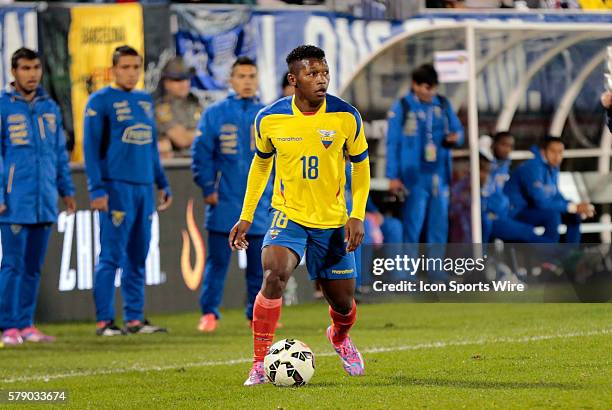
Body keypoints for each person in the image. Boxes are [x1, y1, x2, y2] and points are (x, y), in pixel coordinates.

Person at [229, 45, 370, 385]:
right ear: (294, 80)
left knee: (344, 303)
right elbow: (260, 166)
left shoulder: (346, 116)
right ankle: (260, 363)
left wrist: (357, 214)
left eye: (324, 72)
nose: (321, 80)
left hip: (332, 221)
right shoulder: (270, 118)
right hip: (287, 215)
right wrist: (247, 216)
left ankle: (339, 337)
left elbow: (362, 167)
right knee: (274, 274)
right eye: (312, 74)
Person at [84, 45, 172, 336]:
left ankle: (134, 319)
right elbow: (91, 150)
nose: (132, 72)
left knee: (138, 254)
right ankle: (104, 321)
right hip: (116, 188)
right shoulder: (100, 101)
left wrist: (162, 182)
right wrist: (97, 189)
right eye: (126, 67)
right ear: (113, 70)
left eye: (136, 67)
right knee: (110, 255)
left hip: (144, 189)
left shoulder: (144, 101)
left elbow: (151, 149)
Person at [0, 48, 76, 345]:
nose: (31, 74)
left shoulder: (49, 107)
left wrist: (66, 190)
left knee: (33, 267)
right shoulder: (4, 106)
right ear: (13, 72)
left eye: (35, 68)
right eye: (25, 68)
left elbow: (59, 153)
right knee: (12, 265)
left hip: (44, 200)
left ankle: (26, 324)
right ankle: (7, 326)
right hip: (14, 200)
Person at [192, 57, 270, 332]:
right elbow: (201, 154)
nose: (247, 81)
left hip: (260, 204)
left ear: (258, 79)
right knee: (217, 263)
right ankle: (209, 313)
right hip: (224, 201)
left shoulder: (269, 113)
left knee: (259, 268)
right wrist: (208, 187)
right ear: (231, 80)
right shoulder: (214, 114)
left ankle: (256, 314)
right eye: (242, 76)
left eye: (252, 75)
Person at [386, 63, 464, 244]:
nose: (431, 92)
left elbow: (458, 130)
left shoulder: (443, 104)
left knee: (439, 224)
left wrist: (456, 137)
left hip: (440, 174)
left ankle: (436, 270)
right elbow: (392, 143)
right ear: (415, 85)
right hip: (414, 176)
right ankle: (406, 270)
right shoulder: (403, 106)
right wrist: (392, 176)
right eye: (427, 88)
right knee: (413, 224)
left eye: (434, 88)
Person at [504, 136, 594, 244]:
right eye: (553, 151)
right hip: (516, 212)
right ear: (543, 152)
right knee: (552, 216)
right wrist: (572, 207)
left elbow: (555, 194)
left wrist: (576, 206)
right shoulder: (532, 167)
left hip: (534, 209)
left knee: (574, 215)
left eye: (560, 152)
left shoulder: (553, 167)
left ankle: (571, 255)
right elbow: (540, 201)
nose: (557, 156)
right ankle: (549, 256)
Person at [154, 57, 202, 159]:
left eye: (186, 78)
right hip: (177, 167)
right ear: (166, 83)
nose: (184, 84)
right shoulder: (162, 109)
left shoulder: (196, 103)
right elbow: (182, 140)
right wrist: (208, 133)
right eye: (177, 80)